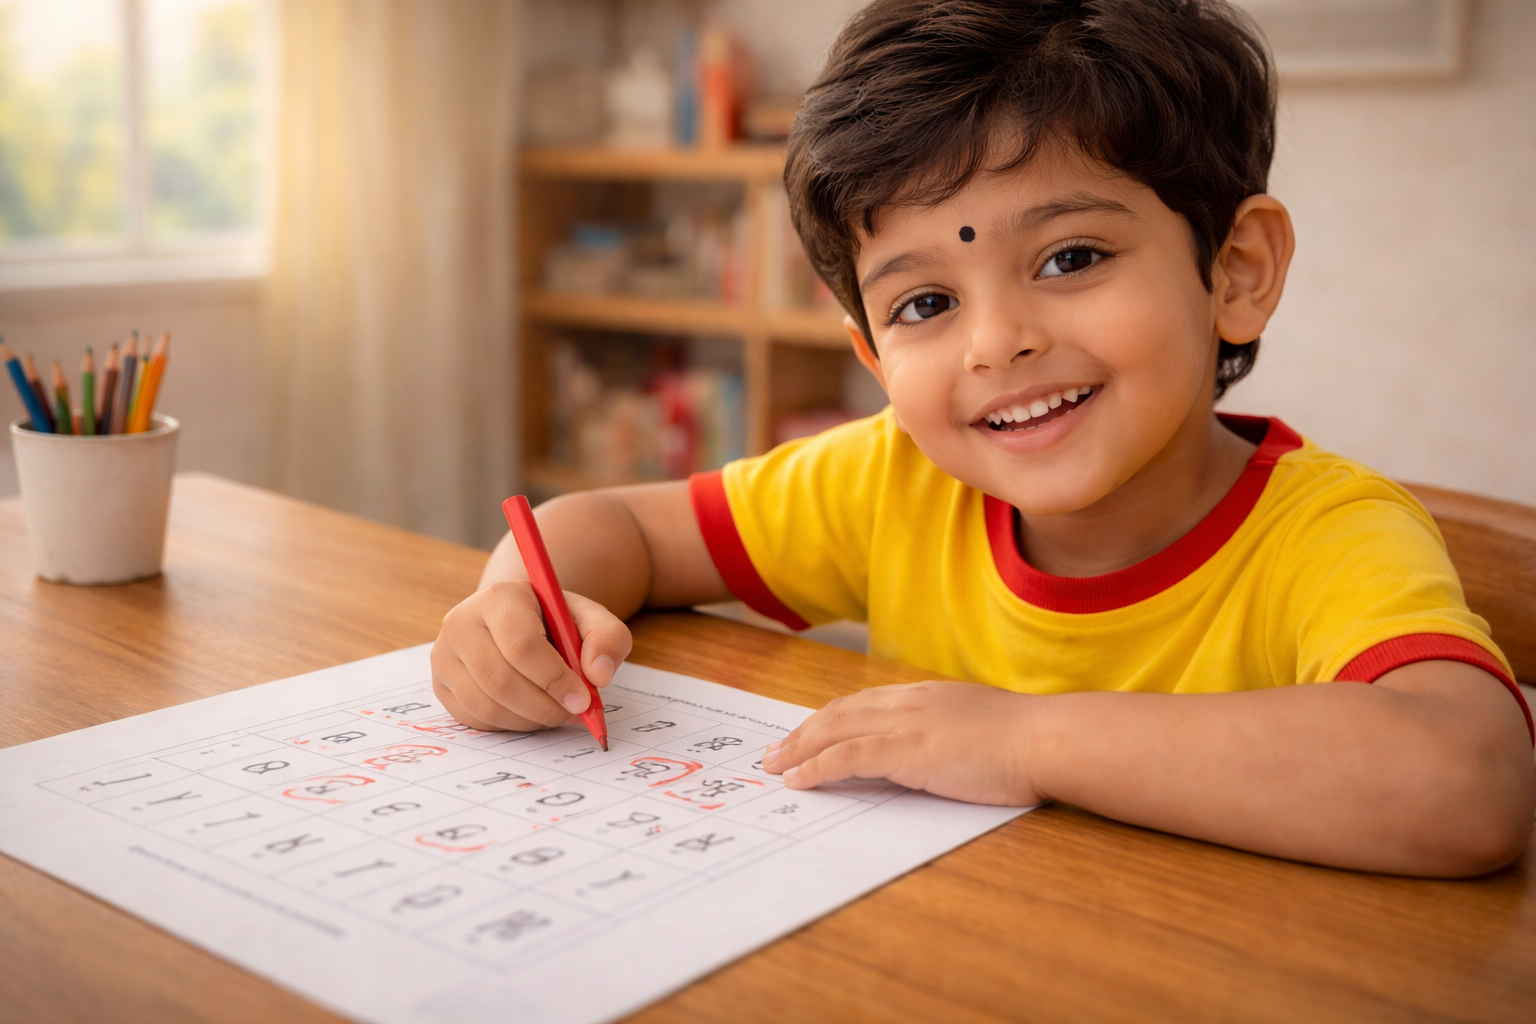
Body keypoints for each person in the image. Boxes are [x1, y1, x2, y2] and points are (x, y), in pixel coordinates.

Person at [433, 0, 1533, 876]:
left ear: (1234, 272)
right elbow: (620, 522)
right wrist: (516, 610)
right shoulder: (890, 479)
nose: (996, 344)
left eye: (1070, 259)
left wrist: (1026, 739)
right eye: (924, 305)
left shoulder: (1330, 533)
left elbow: (1469, 780)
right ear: (872, 359)